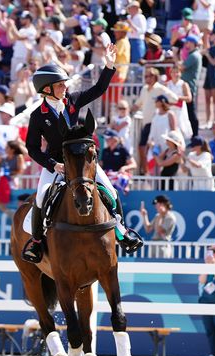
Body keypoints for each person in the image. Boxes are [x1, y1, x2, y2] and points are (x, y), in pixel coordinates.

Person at [21, 45, 143, 264]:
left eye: (64, 84)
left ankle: (122, 232)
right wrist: (51, 165)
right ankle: (37, 243)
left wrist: (108, 65)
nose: (65, 88)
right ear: (46, 89)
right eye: (60, 85)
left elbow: (98, 89)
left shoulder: (73, 100)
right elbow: (31, 148)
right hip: (57, 162)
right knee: (40, 197)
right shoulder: (38, 116)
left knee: (112, 191)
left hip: (80, 161)